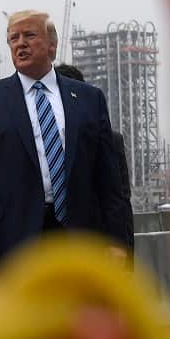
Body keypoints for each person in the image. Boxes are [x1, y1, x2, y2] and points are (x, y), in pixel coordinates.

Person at [0, 10, 128, 277]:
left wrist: (118, 241)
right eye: (13, 38)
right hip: (10, 241)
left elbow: (109, 180)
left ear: (52, 45)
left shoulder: (89, 98)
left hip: (80, 239)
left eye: (29, 35)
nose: (20, 43)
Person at [54, 63, 135, 251]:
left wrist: (124, 252)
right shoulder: (38, 144)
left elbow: (120, 202)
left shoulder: (110, 141)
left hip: (94, 248)